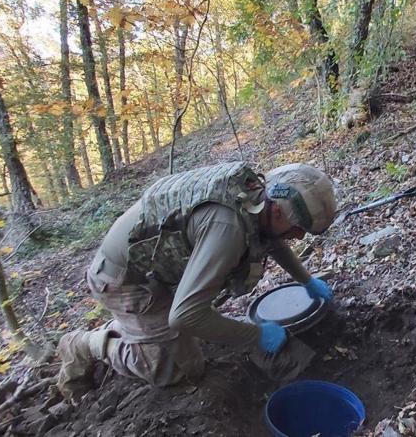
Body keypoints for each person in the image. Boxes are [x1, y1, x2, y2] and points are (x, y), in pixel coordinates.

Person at [56, 162, 338, 401]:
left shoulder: (256, 200)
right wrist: (256, 336)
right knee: (176, 371)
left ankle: (139, 329)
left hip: (161, 269)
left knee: (189, 327)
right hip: (125, 279)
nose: (299, 238)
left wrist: (306, 280)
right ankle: (87, 343)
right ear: (277, 211)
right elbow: (185, 317)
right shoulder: (227, 229)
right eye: (299, 230)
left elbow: (270, 239)